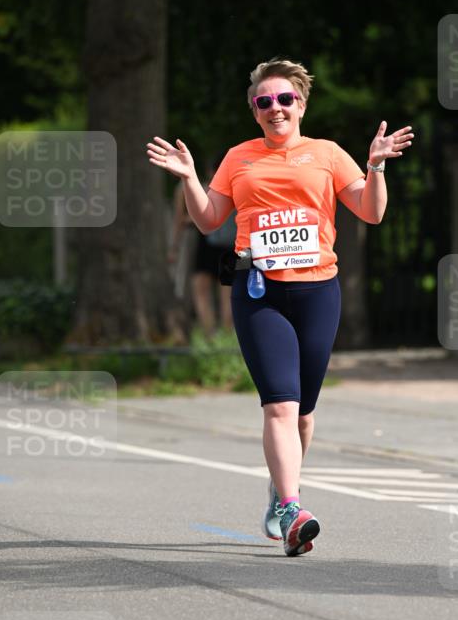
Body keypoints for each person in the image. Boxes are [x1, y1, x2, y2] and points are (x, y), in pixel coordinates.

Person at [147, 58, 414, 556]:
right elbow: (208, 221)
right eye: (264, 102)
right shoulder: (238, 158)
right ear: (254, 111)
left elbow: (372, 212)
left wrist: (375, 165)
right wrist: (187, 178)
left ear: (301, 104)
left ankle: (280, 487)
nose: (275, 108)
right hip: (259, 291)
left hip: (318, 292)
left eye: (284, 99)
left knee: (305, 415)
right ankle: (293, 507)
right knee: (280, 404)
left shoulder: (329, 155)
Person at [168, 176, 235, 336]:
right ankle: (228, 336)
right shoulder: (235, 186)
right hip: (233, 245)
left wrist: (174, 247)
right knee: (227, 292)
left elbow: (181, 219)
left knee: (201, 291)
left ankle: (210, 335)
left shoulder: (190, 188)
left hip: (206, 245)